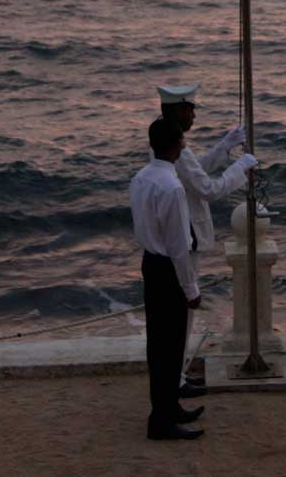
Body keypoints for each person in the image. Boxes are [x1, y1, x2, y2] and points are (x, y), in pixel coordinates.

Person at [157, 82, 259, 392]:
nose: (193, 116)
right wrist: (241, 167)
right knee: (183, 314)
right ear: (177, 111)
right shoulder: (176, 145)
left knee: (180, 314)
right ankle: (175, 379)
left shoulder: (168, 141)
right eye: (189, 110)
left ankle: (177, 375)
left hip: (180, 236)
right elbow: (207, 188)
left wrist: (223, 148)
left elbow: (195, 170)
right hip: (183, 238)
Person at [130, 117, 205, 441]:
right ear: (176, 146)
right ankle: (161, 420)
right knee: (170, 346)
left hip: (150, 262)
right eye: (183, 142)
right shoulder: (172, 188)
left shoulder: (141, 178)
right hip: (168, 270)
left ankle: (168, 407)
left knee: (158, 344)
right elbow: (179, 248)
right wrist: (191, 289)